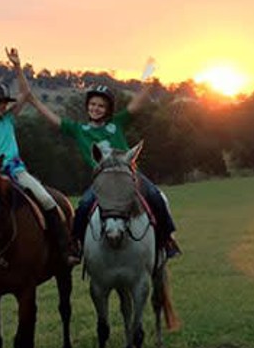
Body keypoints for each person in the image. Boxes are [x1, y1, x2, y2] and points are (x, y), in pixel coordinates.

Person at [20, 52, 180, 260]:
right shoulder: (79, 129)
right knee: (84, 206)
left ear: (108, 109)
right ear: (87, 106)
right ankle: (75, 246)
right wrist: (32, 101)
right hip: (102, 181)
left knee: (156, 197)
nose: (96, 108)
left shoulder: (117, 123)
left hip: (129, 175)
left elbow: (136, 105)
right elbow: (53, 118)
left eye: (101, 106)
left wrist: (148, 84)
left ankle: (167, 240)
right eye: (93, 105)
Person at [0, 47, 74, 268]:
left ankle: (65, 248)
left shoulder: (7, 119)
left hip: (17, 171)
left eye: (4, 102)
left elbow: (25, 94)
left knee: (45, 198)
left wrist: (17, 66)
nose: (3, 105)